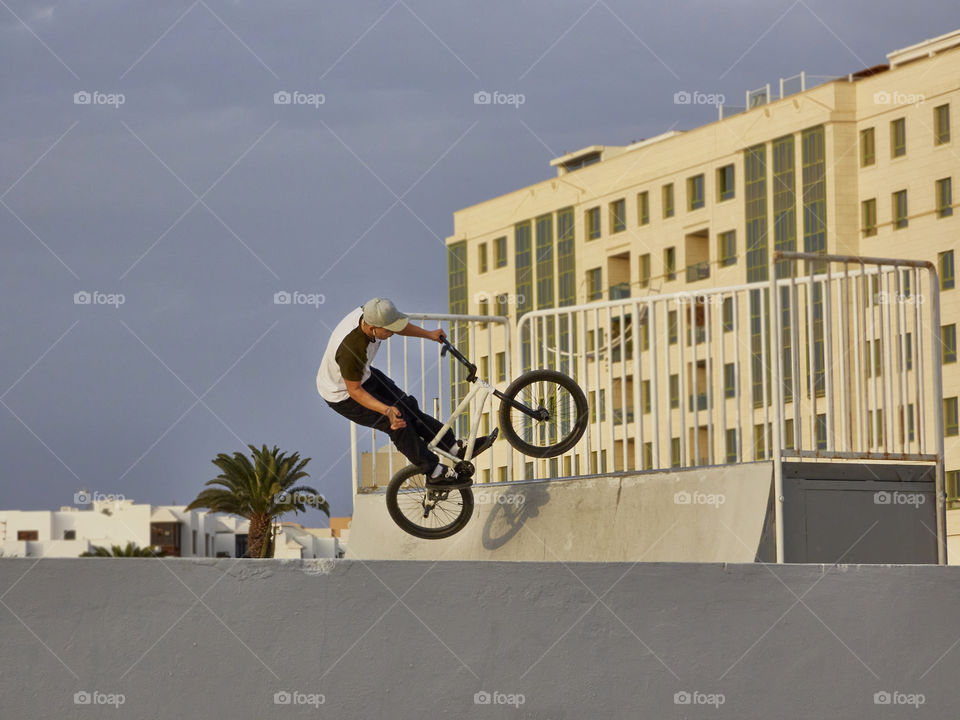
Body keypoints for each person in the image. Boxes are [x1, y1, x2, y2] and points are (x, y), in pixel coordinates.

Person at [317, 297, 496, 487]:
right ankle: (433, 472)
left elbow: (397, 326)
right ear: (372, 328)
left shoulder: (372, 314)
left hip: (363, 375)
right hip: (343, 394)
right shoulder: (351, 349)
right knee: (397, 422)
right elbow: (354, 391)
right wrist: (386, 410)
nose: (392, 333)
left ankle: (453, 447)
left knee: (408, 407)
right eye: (388, 330)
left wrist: (429, 334)